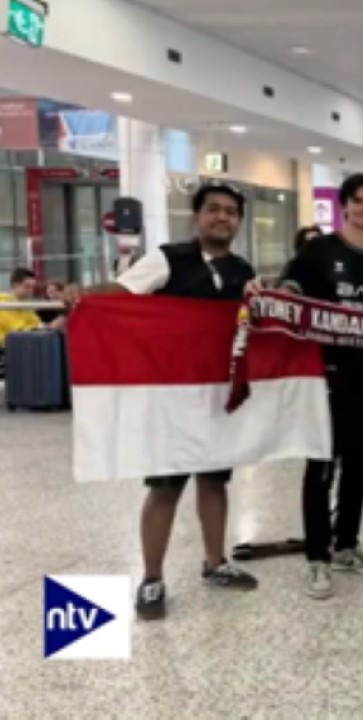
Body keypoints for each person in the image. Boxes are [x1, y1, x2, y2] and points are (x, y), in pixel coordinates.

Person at [62, 184, 261, 621]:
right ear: (197, 216)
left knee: (214, 482)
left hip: (216, 399)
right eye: (213, 210)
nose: (222, 218)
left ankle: (215, 563)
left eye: (230, 212)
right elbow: (123, 291)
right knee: (165, 487)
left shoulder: (242, 270)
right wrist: (85, 295)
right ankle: (151, 579)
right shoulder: (167, 259)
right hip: (170, 400)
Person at [276, 174, 363, 600]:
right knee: (321, 468)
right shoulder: (320, 251)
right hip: (326, 378)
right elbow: (289, 291)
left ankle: (346, 545)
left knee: (359, 466)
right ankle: (317, 558)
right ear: (345, 206)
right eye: (358, 201)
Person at [0, 268, 44, 348]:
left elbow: (37, 325)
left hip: (20, 347)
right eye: (27, 286)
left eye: (32, 287)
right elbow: (16, 330)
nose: (31, 291)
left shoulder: (25, 306)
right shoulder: (2, 303)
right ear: (14, 285)